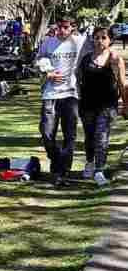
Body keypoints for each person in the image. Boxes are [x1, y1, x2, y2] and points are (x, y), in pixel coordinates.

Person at [36, 18, 89, 187]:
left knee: (69, 135)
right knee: (46, 132)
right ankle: (57, 160)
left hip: (71, 94)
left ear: (73, 28)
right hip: (50, 94)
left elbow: (98, 50)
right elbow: (39, 59)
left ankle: (62, 171)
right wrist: (48, 72)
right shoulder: (48, 42)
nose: (62, 30)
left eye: (66, 27)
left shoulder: (81, 42)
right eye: (59, 27)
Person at [77, 25, 128, 186]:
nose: (99, 41)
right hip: (87, 104)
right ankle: (90, 163)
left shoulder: (115, 60)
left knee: (102, 137)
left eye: (103, 37)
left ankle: (99, 170)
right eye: (97, 37)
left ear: (110, 40)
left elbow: (122, 84)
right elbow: (79, 80)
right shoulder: (86, 59)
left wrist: (125, 104)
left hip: (107, 106)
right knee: (90, 137)